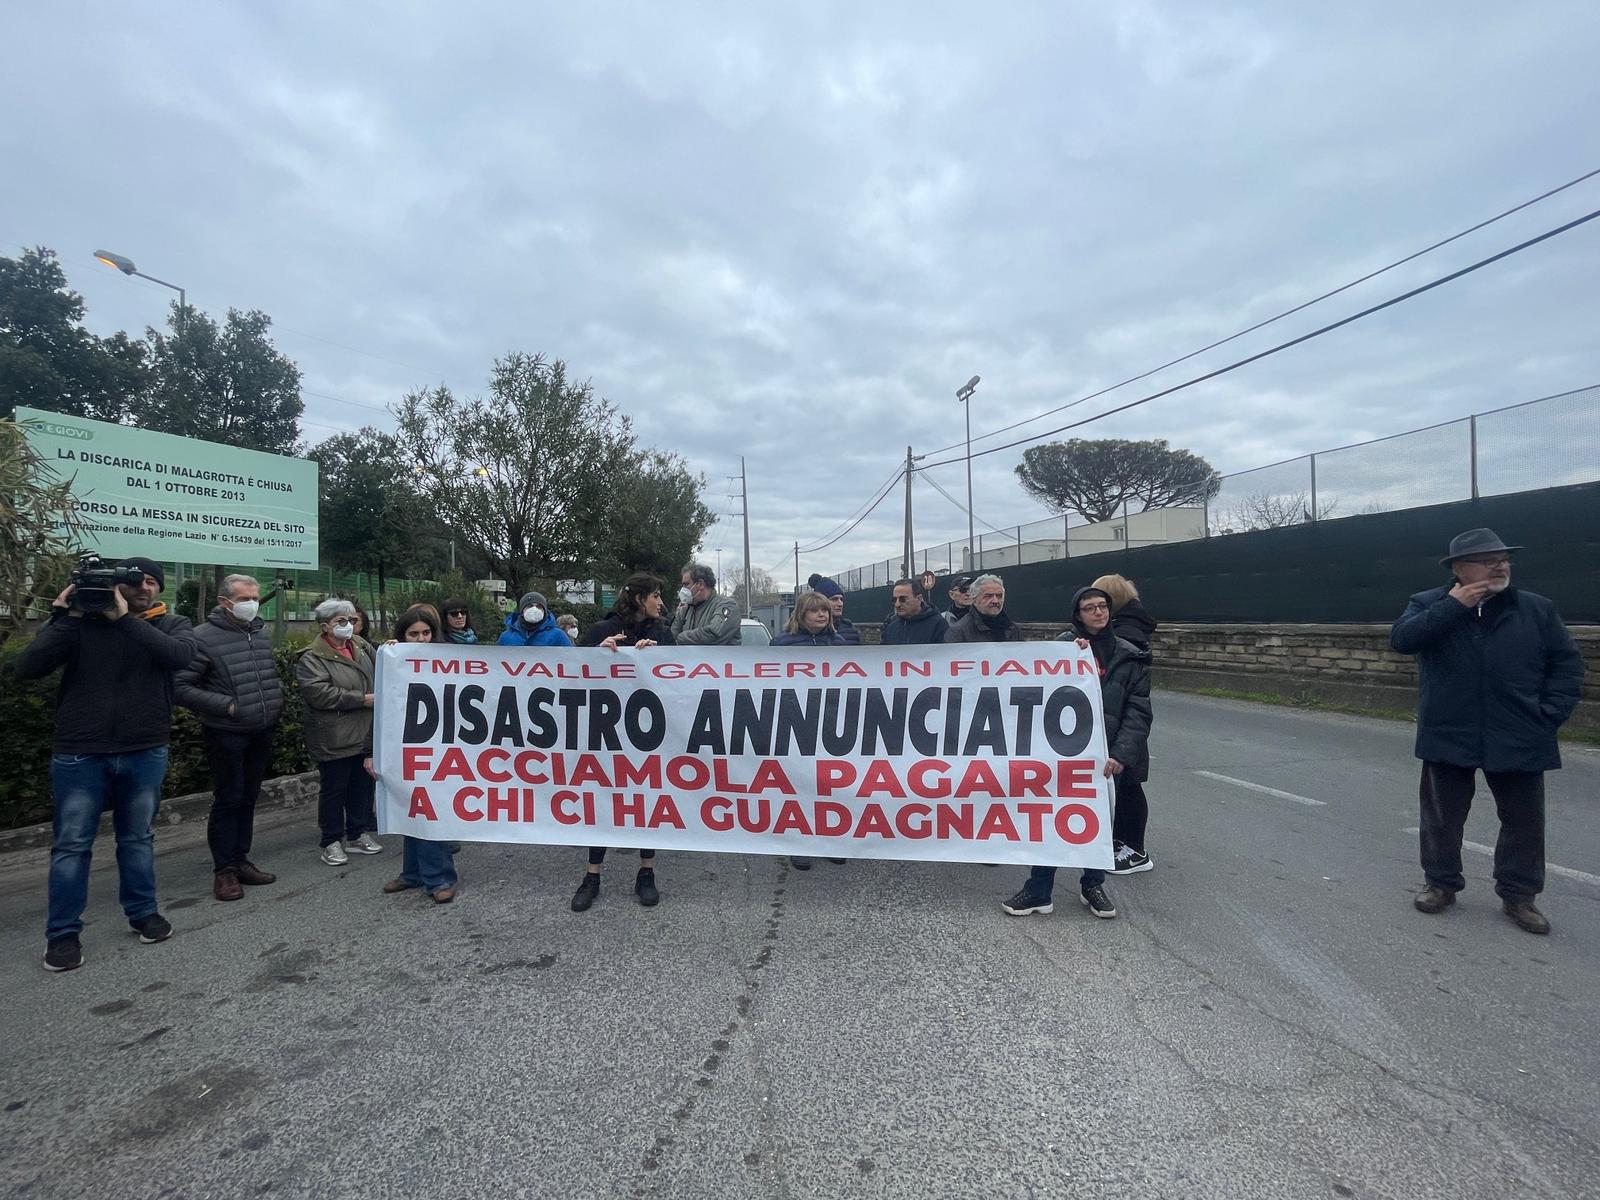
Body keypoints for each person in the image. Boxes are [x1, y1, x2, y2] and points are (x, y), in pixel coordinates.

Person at [1390, 528, 1584, 935]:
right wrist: (1452, 607)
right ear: (1459, 569)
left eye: (1504, 558)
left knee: (1524, 821)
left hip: (1520, 732)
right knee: (1442, 817)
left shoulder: (1535, 609)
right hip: (1449, 731)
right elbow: (1403, 641)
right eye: (1487, 559)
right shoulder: (1428, 604)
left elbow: (1566, 665)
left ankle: (1519, 896)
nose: (1500, 565)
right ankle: (1440, 884)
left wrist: (1547, 715)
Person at [16, 555, 196, 972]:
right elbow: (27, 668)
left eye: (153, 581)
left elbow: (180, 657)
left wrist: (124, 620)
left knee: (136, 839)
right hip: (81, 752)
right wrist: (65, 616)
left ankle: (143, 913)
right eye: (136, 581)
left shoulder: (169, 624)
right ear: (118, 585)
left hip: (144, 749)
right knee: (71, 846)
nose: (145, 587)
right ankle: (62, 935)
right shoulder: (78, 625)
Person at [1003, 586, 1150, 921]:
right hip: (1061, 752)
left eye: (1102, 606)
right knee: (1052, 818)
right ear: (1077, 614)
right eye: (1089, 608)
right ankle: (1039, 889)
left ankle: (1093, 886)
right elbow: (1034, 691)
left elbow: (1138, 711)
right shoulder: (1063, 647)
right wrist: (1067, 654)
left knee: (1096, 822)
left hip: (1104, 757)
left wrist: (1120, 754)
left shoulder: (1132, 654)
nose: (1098, 613)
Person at [175, 573, 285, 902]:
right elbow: (180, 686)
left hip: (261, 729)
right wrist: (228, 706)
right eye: (244, 599)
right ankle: (224, 871)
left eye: (255, 598)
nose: (252, 604)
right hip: (226, 732)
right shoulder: (202, 638)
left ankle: (241, 860)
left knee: (249, 797)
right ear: (224, 602)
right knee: (228, 799)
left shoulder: (259, 632)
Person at [570, 574, 676, 911]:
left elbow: (681, 676)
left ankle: (647, 872)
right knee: (603, 800)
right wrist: (598, 656)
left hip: (648, 735)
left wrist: (656, 659)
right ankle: (593, 875)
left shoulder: (661, 632)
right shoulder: (603, 630)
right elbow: (571, 673)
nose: (661, 603)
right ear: (638, 598)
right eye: (656, 595)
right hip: (607, 733)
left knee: (646, 800)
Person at [379, 606, 459, 903]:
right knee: (408, 808)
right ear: (402, 635)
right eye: (414, 634)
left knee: (430, 808)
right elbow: (383, 707)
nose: (421, 639)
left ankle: (440, 879)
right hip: (404, 747)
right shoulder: (392, 660)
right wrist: (369, 750)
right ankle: (411, 873)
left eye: (426, 633)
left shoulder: (449, 660)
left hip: (439, 747)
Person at [296, 599, 385, 867]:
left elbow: (383, 662)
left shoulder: (361, 646)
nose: (348, 625)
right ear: (325, 626)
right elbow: (320, 694)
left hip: (365, 732)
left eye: (351, 620)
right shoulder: (311, 658)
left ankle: (357, 833)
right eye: (341, 621)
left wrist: (393, 648)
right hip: (334, 736)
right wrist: (361, 699)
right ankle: (331, 840)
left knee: (362, 785)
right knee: (335, 789)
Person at [771, 592, 848, 870]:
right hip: (796, 722)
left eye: (825, 611)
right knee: (800, 785)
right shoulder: (781, 644)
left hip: (830, 723)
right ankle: (800, 842)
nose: (822, 615)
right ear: (801, 614)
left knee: (831, 787)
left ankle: (831, 839)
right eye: (815, 611)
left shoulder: (838, 643)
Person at [1090, 574, 1157, 873]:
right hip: (1116, 724)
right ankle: (1122, 842)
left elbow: (1129, 691)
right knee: (1125, 787)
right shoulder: (1134, 626)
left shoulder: (1126, 635)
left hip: (1121, 728)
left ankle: (1135, 850)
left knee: (1128, 788)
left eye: (1100, 602)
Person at [671, 562, 741, 645]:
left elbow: (713, 634)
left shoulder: (727, 606)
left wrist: (681, 638)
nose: (683, 589)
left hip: (720, 658)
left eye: (686, 585)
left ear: (701, 584)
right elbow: (672, 636)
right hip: (691, 658)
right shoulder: (685, 609)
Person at [946, 574, 1021, 643]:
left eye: (999, 596)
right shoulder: (958, 632)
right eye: (988, 596)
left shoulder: (1013, 629)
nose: (995, 601)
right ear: (974, 599)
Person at [881, 578, 948, 645]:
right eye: (894, 599)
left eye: (903, 599)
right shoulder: (891, 627)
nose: (897, 604)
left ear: (919, 598)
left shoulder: (938, 625)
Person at [498, 590, 572, 646]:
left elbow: (569, 659)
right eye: (529, 606)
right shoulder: (506, 637)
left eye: (539, 607)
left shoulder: (558, 636)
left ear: (544, 611)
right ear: (522, 611)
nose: (534, 609)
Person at [806, 574, 860, 644]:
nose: (840, 604)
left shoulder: (851, 631)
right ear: (820, 602)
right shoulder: (802, 634)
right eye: (834, 599)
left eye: (841, 599)